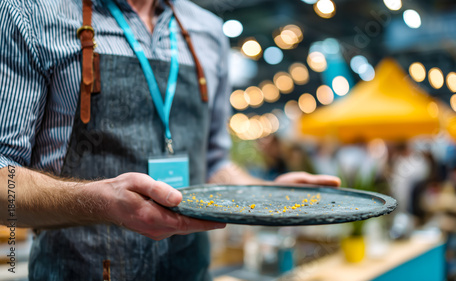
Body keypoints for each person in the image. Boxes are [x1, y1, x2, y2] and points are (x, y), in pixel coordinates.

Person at [0, 0, 340, 280]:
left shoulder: (207, 31)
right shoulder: (31, 13)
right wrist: (101, 202)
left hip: (190, 270)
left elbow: (213, 164)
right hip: (81, 270)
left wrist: (264, 197)